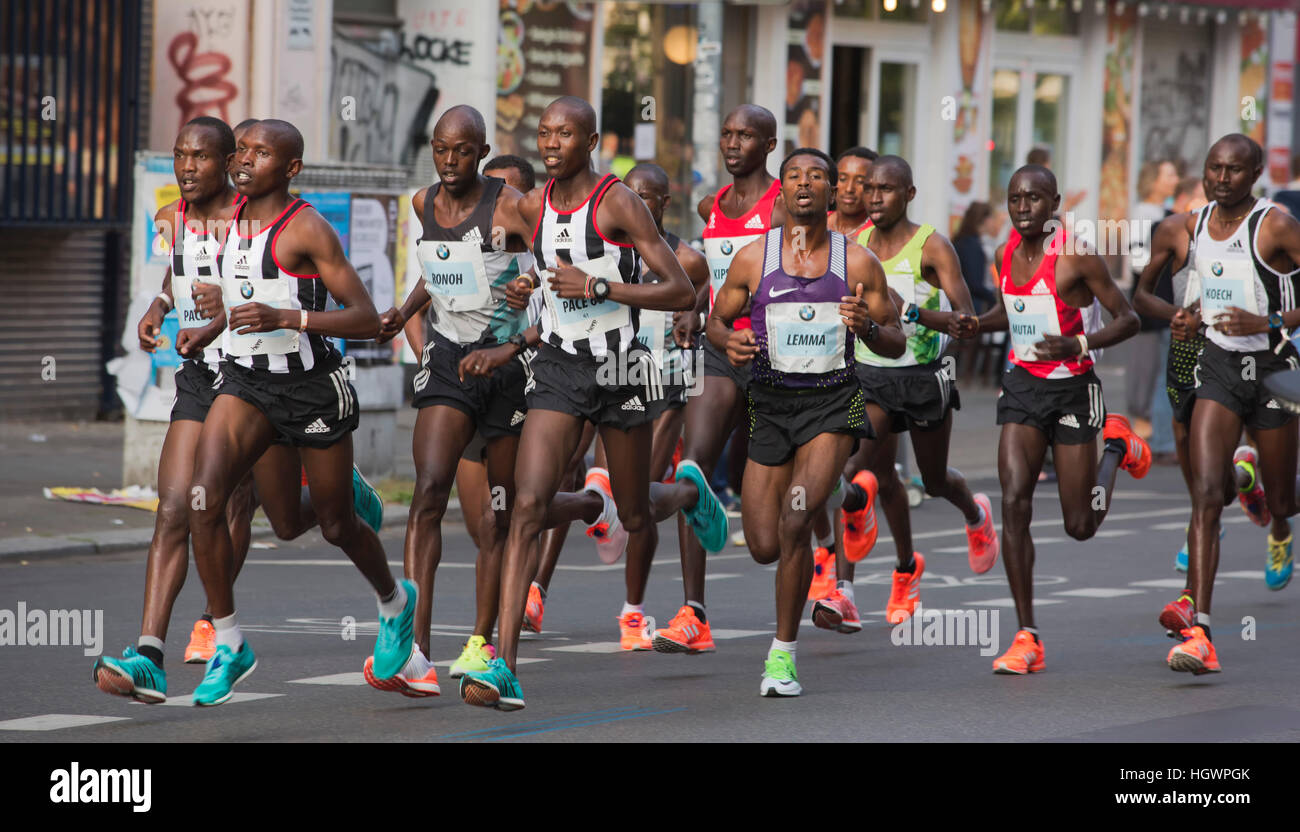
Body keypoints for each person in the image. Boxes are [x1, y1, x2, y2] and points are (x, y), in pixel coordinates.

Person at [458, 96, 723, 711]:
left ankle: (687, 491)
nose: (551, 143)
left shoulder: (616, 202)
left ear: (591, 140)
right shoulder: (531, 203)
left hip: (621, 366)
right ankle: (504, 666)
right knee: (526, 504)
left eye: (565, 134)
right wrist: (528, 284)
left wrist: (599, 285)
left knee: (634, 513)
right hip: (557, 367)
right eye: (545, 133)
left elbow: (678, 288)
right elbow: (542, 268)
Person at [184, 119, 412, 706]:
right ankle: (230, 642)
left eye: (262, 153)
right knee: (206, 497)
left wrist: (288, 319)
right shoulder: (229, 217)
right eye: (242, 150)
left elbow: (365, 318)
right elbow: (245, 298)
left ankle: (394, 602)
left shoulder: (307, 227)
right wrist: (213, 321)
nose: (245, 160)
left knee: (331, 525)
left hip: (312, 388)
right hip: (246, 383)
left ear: (290, 168)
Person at [709, 146, 905, 695]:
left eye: (816, 176)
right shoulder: (753, 258)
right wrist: (733, 341)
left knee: (796, 521)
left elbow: (895, 341)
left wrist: (866, 326)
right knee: (765, 545)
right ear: (783, 188)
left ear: (831, 192)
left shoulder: (858, 262)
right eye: (794, 175)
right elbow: (714, 324)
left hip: (831, 404)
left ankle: (781, 656)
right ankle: (841, 502)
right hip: (769, 406)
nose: (804, 183)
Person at [368, 107, 541, 695]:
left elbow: (558, 265)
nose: (449, 161)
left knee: (500, 516)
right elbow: (437, 264)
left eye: (462, 151)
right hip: (449, 360)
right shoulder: (423, 203)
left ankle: (481, 638)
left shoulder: (513, 204)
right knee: (428, 491)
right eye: (441, 149)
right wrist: (407, 309)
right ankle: (415, 650)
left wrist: (528, 288)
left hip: (509, 365)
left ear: (481, 151)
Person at [93, 117, 265, 703]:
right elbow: (182, 267)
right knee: (173, 508)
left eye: (200, 157)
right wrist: (162, 304)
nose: (187, 167)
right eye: (179, 155)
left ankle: (335, 488)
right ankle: (149, 655)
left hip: (256, 376)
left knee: (264, 510)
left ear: (226, 163)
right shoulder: (178, 217)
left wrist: (227, 310)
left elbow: (287, 285)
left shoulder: (253, 217)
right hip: (199, 374)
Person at [979, 164, 1149, 675]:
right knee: (1014, 501)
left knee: (1080, 525)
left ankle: (1116, 448)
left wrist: (1079, 342)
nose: (1024, 207)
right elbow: (1009, 311)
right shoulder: (1002, 253)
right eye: (1015, 199)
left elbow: (1130, 319)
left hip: (1075, 389)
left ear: (1054, 204)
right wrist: (969, 323)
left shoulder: (1076, 255)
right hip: (1024, 389)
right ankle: (1026, 635)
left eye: (1034, 199)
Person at [825, 155, 994, 634]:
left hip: (923, 376)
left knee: (934, 481)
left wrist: (912, 313)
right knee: (852, 470)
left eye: (886, 189)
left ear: (909, 194)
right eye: (870, 189)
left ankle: (974, 512)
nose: (874, 198)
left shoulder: (932, 247)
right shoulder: (853, 245)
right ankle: (845, 593)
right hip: (872, 376)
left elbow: (967, 322)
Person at [1160, 134, 1300, 675]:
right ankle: (1201, 630)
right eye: (1214, 168)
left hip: (1274, 371)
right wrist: (1188, 316)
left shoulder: (1277, 226)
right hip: (1218, 366)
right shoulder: (1192, 226)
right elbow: (1151, 292)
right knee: (1205, 494)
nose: (1222, 178)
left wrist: (1266, 323)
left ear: (1256, 173)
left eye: (1235, 170)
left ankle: (1277, 517)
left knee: (1285, 501)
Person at [654, 105, 787, 653]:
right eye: (728, 134)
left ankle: (826, 549)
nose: (733, 144)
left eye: (746, 136)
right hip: (721, 350)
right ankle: (694, 613)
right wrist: (695, 307)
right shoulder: (714, 206)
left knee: (772, 525)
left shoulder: (782, 204)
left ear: (770, 144)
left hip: (779, 358)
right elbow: (717, 270)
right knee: (695, 465)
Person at [1132, 181, 1265, 575]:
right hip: (1185, 350)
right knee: (1189, 443)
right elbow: (1141, 295)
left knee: (1219, 444)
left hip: (1235, 351)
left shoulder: (1258, 231)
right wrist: (1172, 315)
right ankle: (1237, 482)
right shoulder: (1176, 230)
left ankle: (1213, 523)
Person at [1127, 160, 1180, 441]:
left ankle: (1151, 426)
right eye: (1169, 174)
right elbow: (1137, 260)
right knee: (1150, 369)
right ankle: (1148, 425)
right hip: (1152, 302)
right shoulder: (1144, 213)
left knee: (1157, 368)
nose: (1175, 179)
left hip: (1163, 300)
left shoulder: (1163, 212)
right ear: (1154, 180)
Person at [952, 201, 998, 313]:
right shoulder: (970, 245)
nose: (994, 222)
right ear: (984, 219)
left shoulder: (964, 241)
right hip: (971, 305)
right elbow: (974, 284)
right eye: (992, 218)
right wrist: (995, 298)